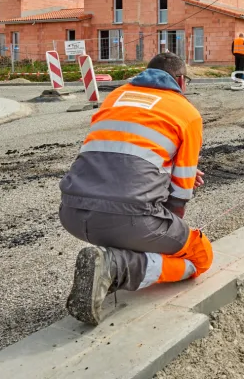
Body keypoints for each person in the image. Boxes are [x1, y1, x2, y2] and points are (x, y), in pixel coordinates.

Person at [59, 52, 213, 325]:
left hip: (71, 213)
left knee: (134, 227)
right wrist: (165, 238)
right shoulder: (187, 112)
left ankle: (110, 261)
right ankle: (116, 268)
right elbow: (180, 195)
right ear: (180, 80)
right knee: (201, 257)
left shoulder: (116, 96)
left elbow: (122, 153)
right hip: (124, 220)